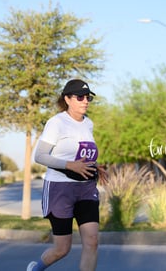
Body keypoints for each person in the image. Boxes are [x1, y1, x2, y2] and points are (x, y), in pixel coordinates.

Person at [28, 79, 107, 271]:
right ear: (68, 99)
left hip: (86, 188)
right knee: (62, 249)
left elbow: (80, 153)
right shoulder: (57, 123)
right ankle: (35, 268)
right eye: (80, 97)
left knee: (92, 241)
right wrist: (70, 165)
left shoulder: (88, 123)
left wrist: (96, 166)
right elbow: (39, 156)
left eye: (88, 97)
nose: (85, 101)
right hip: (60, 189)